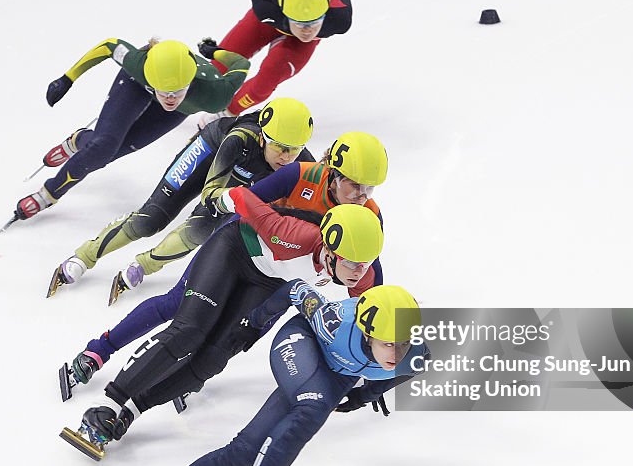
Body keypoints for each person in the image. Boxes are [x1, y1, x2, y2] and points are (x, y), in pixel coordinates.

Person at [113, 282, 428, 466]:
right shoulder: (334, 322)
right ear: (367, 333)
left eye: (404, 344)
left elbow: (407, 367)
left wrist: (363, 396)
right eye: (389, 345)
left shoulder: (413, 352)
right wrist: (252, 323)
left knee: (243, 452)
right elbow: (294, 289)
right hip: (302, 343)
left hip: (330, 377)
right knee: (313, 407)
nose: (397, 353)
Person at [56, 131, 392, 401]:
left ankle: (178, 371)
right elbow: (246, 202)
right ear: (331, 172)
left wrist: (376, 350)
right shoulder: (301, 174)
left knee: (227, 341)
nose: (361, 195)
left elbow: (369, 285)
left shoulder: (369, 216)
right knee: (180, 305)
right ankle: (99, 351)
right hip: (245, 245)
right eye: (353, 184)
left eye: (369, 188)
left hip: (280, 277)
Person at [59, 196, 385, 459]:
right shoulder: (295, 234)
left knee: (212, 360)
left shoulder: (364, 274)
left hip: (266, 281)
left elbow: (380, 324)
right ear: (328, 250)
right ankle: (109, 403)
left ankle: (132, 410)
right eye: (351, 263)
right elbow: (244, 197)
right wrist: (220, 197)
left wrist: (376, 381)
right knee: (190, 331)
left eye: (365, 264)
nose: (358, 272)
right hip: (233, 249)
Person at [46, 98, 315, 298]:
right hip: (209, 151)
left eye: (295, 150)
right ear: (262, 138)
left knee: (201, 229)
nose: (287, 157)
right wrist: (234, 200)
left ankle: (144, 265)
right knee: (151, 219)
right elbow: (211, 193)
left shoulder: (300, 162)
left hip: (236, 176)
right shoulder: (240, 138)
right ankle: (85, 256)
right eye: (280, 148)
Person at [5, 38, 250, 226]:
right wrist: (67, 78)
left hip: (186, 99)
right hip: (137, 84)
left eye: (177, 91)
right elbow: (109, 46)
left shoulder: (215, 94)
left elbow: (241, 64)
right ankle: (48, 194)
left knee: (110, 152)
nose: (170, 99)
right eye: (164, 92)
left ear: (192, 82)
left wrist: (214, 52)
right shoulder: (139, 65)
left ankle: (80, 140)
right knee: (102, 148)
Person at [198, 0, 352, 118]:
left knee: (267, 79)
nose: (307, 31)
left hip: (295, 40)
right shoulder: (266, 8)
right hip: (268, 24)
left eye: (315, 23)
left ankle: (226, 114)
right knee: (217, 68)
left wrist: (227, 113)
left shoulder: (339, 20)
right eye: (299, 23)